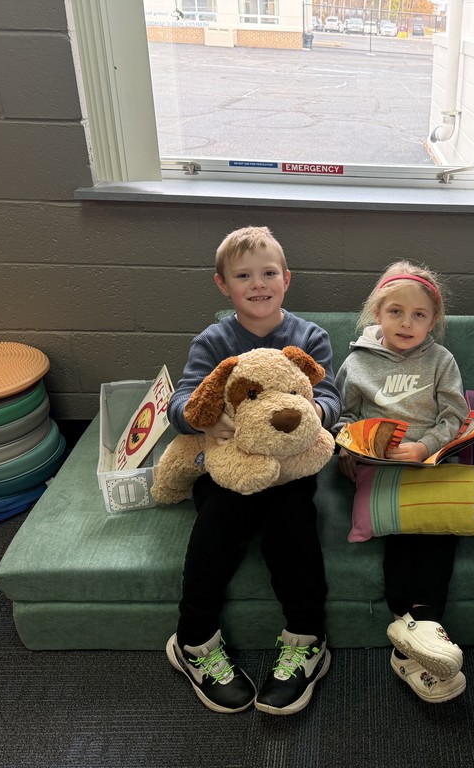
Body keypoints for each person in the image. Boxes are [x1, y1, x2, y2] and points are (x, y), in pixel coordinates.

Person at [165, 225, 342, 716]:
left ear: (286, 279)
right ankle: (194, 641)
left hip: (291, 469)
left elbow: (330, 398)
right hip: (229, 466)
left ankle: (306, 639)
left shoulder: (309, 337)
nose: (258, 284)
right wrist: (207, 416)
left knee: (292, 521)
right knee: (221, 518)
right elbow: (181, 400)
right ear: (223, 285)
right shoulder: (214, 340)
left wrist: (315, 417)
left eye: (268, 273)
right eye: (244, 275)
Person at [334, 261, 470, 703]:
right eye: (395, 312)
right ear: (378, 313)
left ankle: (423, 629)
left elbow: (454, 415)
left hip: (429, 459)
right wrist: (349, 449)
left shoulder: (440, 360)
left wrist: (426, 445)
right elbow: (345, 416)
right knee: (399, 529)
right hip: (381, 461)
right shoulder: (357, 361)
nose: (406, 323)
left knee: (437, 526)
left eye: (418, 315)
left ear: (433, 320)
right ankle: (408, 627)